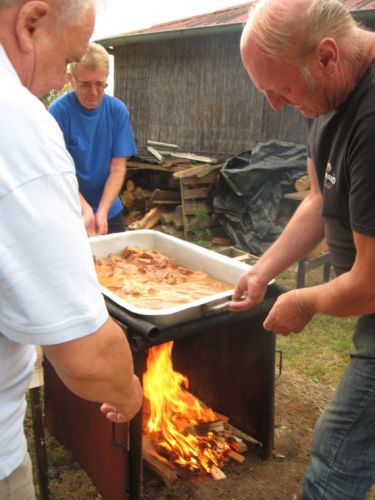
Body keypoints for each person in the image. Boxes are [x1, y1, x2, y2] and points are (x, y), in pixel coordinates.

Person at [0, 1, 143, 499]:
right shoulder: (18, 119)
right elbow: (85, 353)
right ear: (29, 23)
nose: (65, 80)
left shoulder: (110, 112)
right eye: (68, 62)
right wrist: (128, 391)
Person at [233, 0, 375, 497]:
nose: (275, 105)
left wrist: (304, 300)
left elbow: (371, 286)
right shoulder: (325, 94)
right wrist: (263, 271)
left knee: (336, 459)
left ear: (327, 56)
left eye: (283, 89)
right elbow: (319, 199)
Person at [49, 42, 137, 236]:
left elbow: (117, 168)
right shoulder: (58, 112)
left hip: (109, 209)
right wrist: (84, 208)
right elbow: (57, 171)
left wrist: (102, 211)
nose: (94, 92)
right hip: (70, 208)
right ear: (71, 80)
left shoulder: (117, 111)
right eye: (85, 85)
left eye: (100, 84)